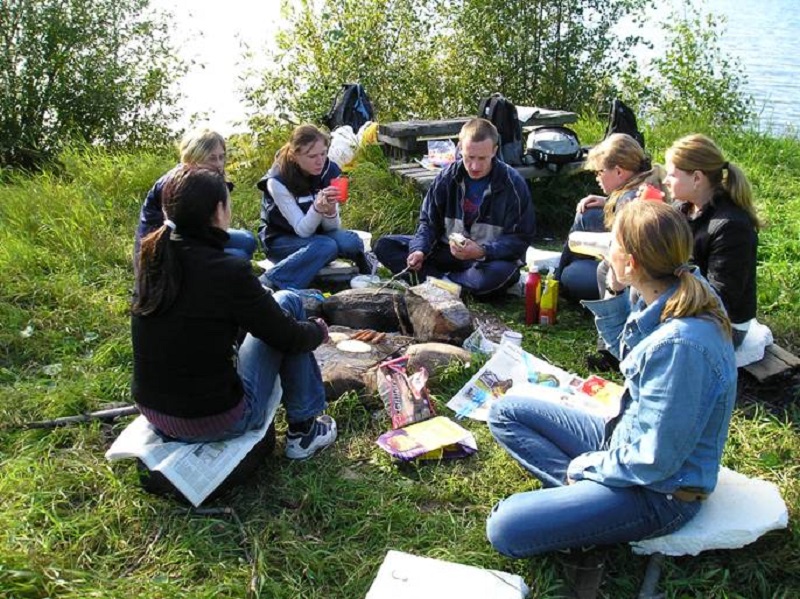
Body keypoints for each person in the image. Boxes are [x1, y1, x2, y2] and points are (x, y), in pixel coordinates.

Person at [486, 201, 736, 597]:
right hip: (624, 440)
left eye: (613, 243)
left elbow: (655, 461)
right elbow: (628, 356)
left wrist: (588, 466)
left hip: (661, 493)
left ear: (633, 262)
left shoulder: (682, 346)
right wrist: (614, 291)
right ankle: (586, 505)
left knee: (505, 526)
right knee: (505, 410)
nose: (605, 249)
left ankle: (588, 506)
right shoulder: (668, 288)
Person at [132, 165, 337, 459]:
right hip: (213, 421)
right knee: (289, 301)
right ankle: (304, 432)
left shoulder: (153, 256)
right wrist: (318, 329)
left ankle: (304, 428)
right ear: (218, 210)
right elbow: (289, 337)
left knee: (280, 307)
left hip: (156, 415)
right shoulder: (226, 270)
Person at [373, 118, 535, 297]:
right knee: (385, 246)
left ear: (494, 151)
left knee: (504, 272)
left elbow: (520, 239)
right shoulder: (446, 178)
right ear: (460, 149)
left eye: (482, 158)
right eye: (469, 157)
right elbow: (428, 223)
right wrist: (419, 250)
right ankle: (452, 284)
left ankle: (438, 282)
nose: (475, 166)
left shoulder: (513, 184)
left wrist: (482, 251)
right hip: (446, 252)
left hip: (484, 260)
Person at [665, 133, 760, 349]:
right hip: (690, 304)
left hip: (725, 324)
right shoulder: (685, 208)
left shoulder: (731, 227)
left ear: (697, 178)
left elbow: (720, 299)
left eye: (672, 175)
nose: (665, 181)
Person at [257, 124, 371, 290]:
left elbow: (332, 228)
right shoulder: (278, 180)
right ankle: (270, 282)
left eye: (323, 153)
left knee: (351, 242)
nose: (320, 161)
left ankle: (366, 276)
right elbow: (302, 230)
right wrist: (317, 209)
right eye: (312, 156)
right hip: (281, 238)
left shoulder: (330, 170)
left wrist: (330, 211)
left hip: (318, 236)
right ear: (295, 156)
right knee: (326, 246)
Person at [557, 133, 666, 301]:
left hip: (635, 283)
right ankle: (559, 279)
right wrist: (607, 202)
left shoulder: (628, 203)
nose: (597, 178)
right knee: (588, 214)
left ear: (619, 171)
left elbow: (624, 254)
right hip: (646, 271)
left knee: (571, 274)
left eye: (599, 172)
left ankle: (560, 283)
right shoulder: (644, 184)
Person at [134, 128, 257, 264]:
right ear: (194, 157)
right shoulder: (180, 184)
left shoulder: (206, 178)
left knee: (247, 240)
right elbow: (187, 233)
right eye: (211, 158)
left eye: (221, 157)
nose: (218, 164)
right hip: (166, 248)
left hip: (196, 236)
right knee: (238, 257)